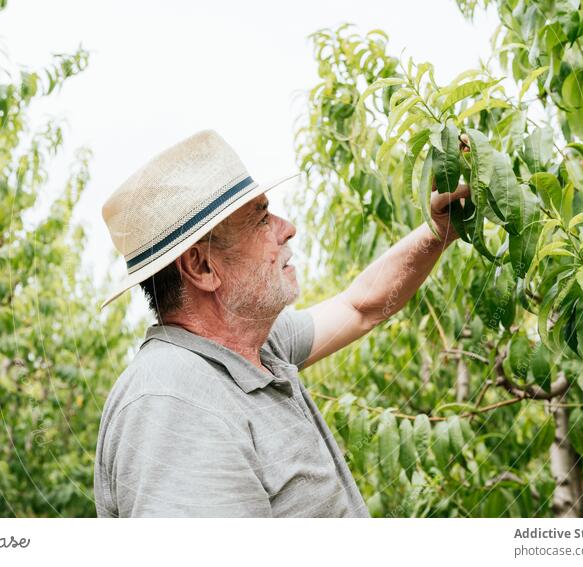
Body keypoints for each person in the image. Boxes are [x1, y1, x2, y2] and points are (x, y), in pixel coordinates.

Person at [94, 129, 469, 517]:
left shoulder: (253, 348)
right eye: (260, 219)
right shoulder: (176, 403)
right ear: (202, 266)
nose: (286, 227)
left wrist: (440, 229)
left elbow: (362, 306)